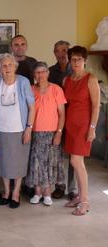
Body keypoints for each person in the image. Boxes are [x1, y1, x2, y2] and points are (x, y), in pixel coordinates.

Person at [0, 53, 35, 209]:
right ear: (0, 68)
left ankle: (16, 193)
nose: (7, 68)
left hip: (20, 129)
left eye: (10, 65)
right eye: (4, 65)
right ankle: (6, 192)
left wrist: (29, 128)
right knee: (3, 162)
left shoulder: (23, 82)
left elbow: (31, 107)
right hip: (1, 129)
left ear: (15, 66)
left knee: (19, 162)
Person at [63, 46, 100, 216]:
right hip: (70, 126)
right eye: (73, 59)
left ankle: (85, 202)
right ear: (70, 61)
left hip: (83, 126)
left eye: (79, 59)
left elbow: (96, 106)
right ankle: (79, 196)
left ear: (85, 60)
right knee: (74, 162)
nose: (76, 62)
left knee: (77, 162)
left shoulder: (91, 79)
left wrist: (92, 128)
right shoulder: (67, 80)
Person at [25, 62, 66, 206]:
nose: (40, 75)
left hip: (51, 133)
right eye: (37, 73)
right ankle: (37, 192)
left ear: (48, 73)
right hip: (34, 133)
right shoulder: (30, 89)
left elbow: (62, 114)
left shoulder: (56, 89)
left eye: (43, 72)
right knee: (36, 163)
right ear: (34, 75)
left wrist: (59, 133)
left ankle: (47, 193)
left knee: (49, 163)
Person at [48, 40, 77, 200]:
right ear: (54, 53)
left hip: (73, 117)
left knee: (73, 155)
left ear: (69, 52)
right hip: (56, 118)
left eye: (64, 50)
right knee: (57, 154)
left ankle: (72, 189)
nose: (61, 54)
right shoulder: (50, 71)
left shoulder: (76, 70)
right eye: (57, 51)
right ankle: (59, 186)